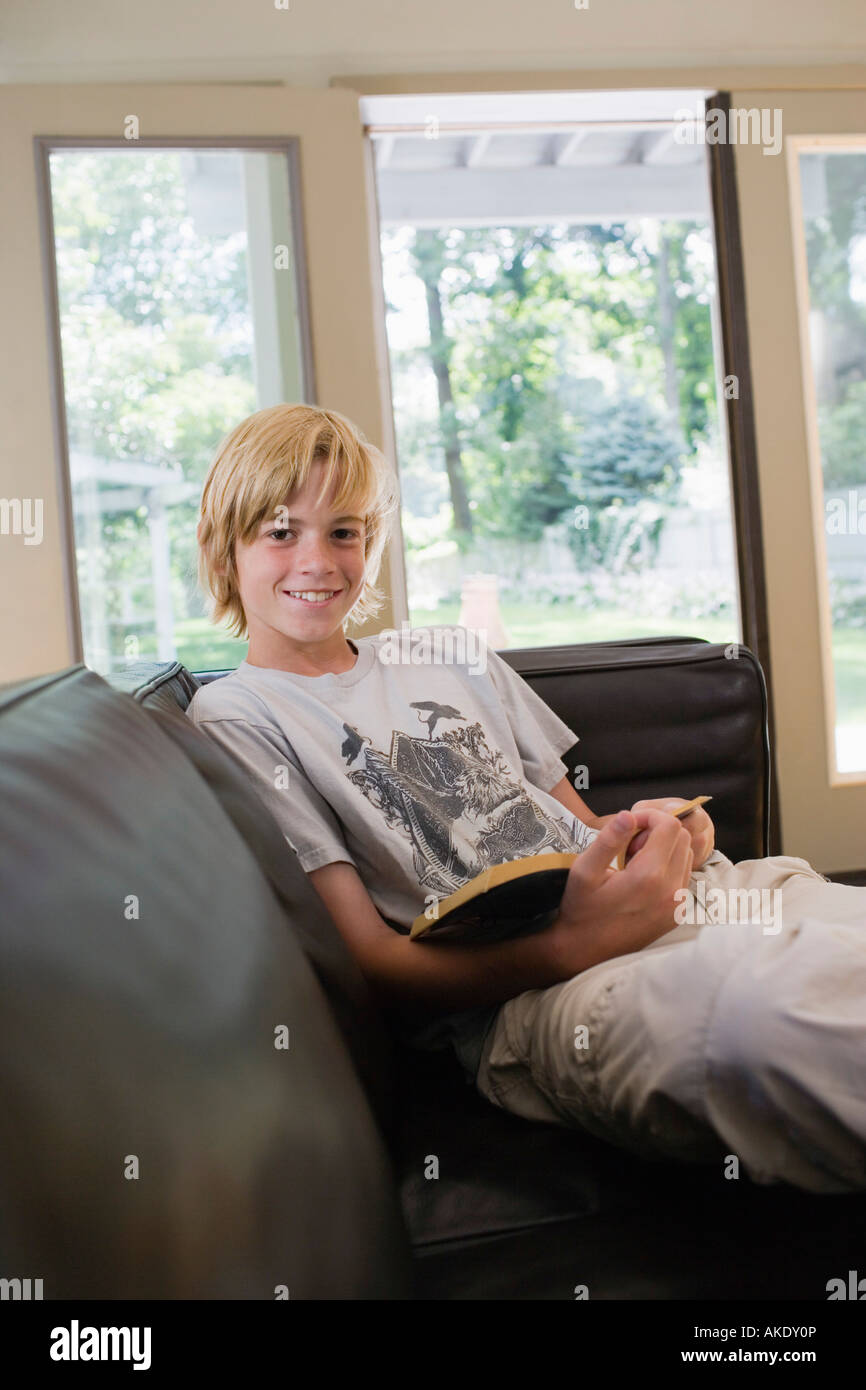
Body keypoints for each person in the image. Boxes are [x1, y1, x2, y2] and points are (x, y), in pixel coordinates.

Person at [187, 402, 866, 1195]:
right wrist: (570, 947)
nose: (319, 560)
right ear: (225, 544)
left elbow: (583, 834)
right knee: (768, 1024)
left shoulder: (449, 653)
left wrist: (657, 836)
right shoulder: (239, 714)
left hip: (697, 904)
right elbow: (369, 962)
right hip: (538, 989)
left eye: (344, 531)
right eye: (280, 531)